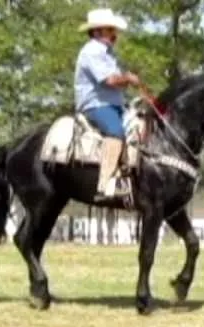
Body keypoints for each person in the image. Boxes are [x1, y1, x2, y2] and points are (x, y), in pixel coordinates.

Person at [74, 8, 141, 199]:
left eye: (114, 30)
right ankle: (104, 184)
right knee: (116, 131)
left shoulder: (108, 53)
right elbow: (109, 81)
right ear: (96, 32)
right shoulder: (92, 51)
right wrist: (128, 78)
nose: (114, 34)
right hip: (95, 105)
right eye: (110, 30)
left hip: (114, 105)